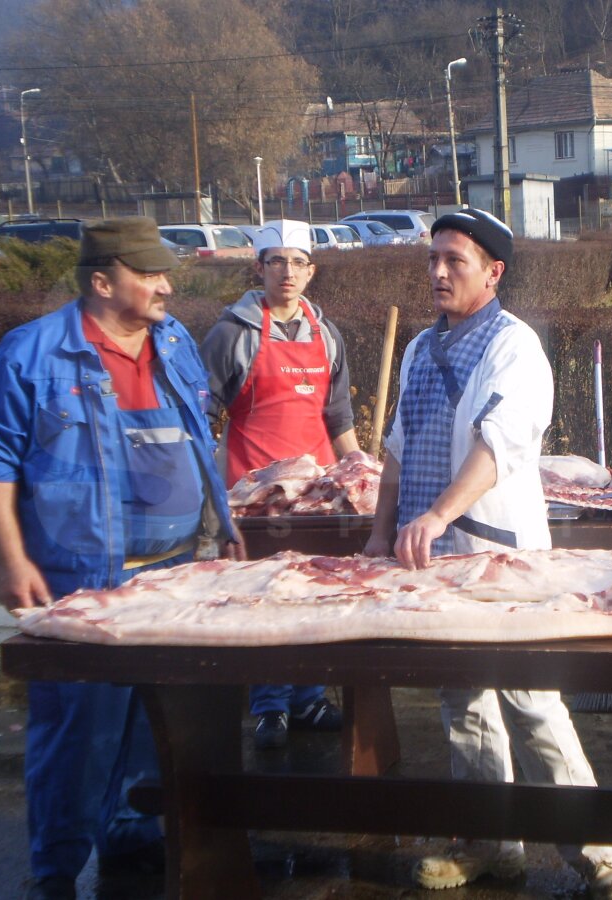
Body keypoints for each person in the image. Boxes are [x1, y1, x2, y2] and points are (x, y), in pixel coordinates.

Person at [363, 208, 612, 900]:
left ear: (493, 272)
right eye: (432, 260)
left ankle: (599, 854)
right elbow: (396, 449)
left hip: (496, 554)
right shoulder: (421, 350)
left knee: (531, 700)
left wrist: (436, 514)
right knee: (463, 704)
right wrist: (378, 531)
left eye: (454, 261)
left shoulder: (515, 349)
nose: (438, 273)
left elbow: (499, 446)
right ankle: (490, 843)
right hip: (432, 557)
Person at [0, 216, 242, 900]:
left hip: (176, 569)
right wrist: (10, 558)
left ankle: (133, 837)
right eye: (149, 274)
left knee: (163, 723)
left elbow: (200, 436)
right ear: (100, 280)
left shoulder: (173, 341)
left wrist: (224, 522)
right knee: (79, 733)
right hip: (84, 575)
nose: (166, 286)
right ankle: (55, 869)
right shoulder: (33, 353)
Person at [200, 218, 358, 749]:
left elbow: (338, 417)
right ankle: (269, 707)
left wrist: (360, 474)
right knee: (264, 598)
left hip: (315, 496)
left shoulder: (326, 334)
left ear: (310, 271)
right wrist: (212, 498)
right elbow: (204, 415)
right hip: (253, 493)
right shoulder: (233, 334)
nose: (286, 272)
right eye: (276, 262)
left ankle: (309, 699)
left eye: (297, 262)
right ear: (259, 267)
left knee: (312, 592)